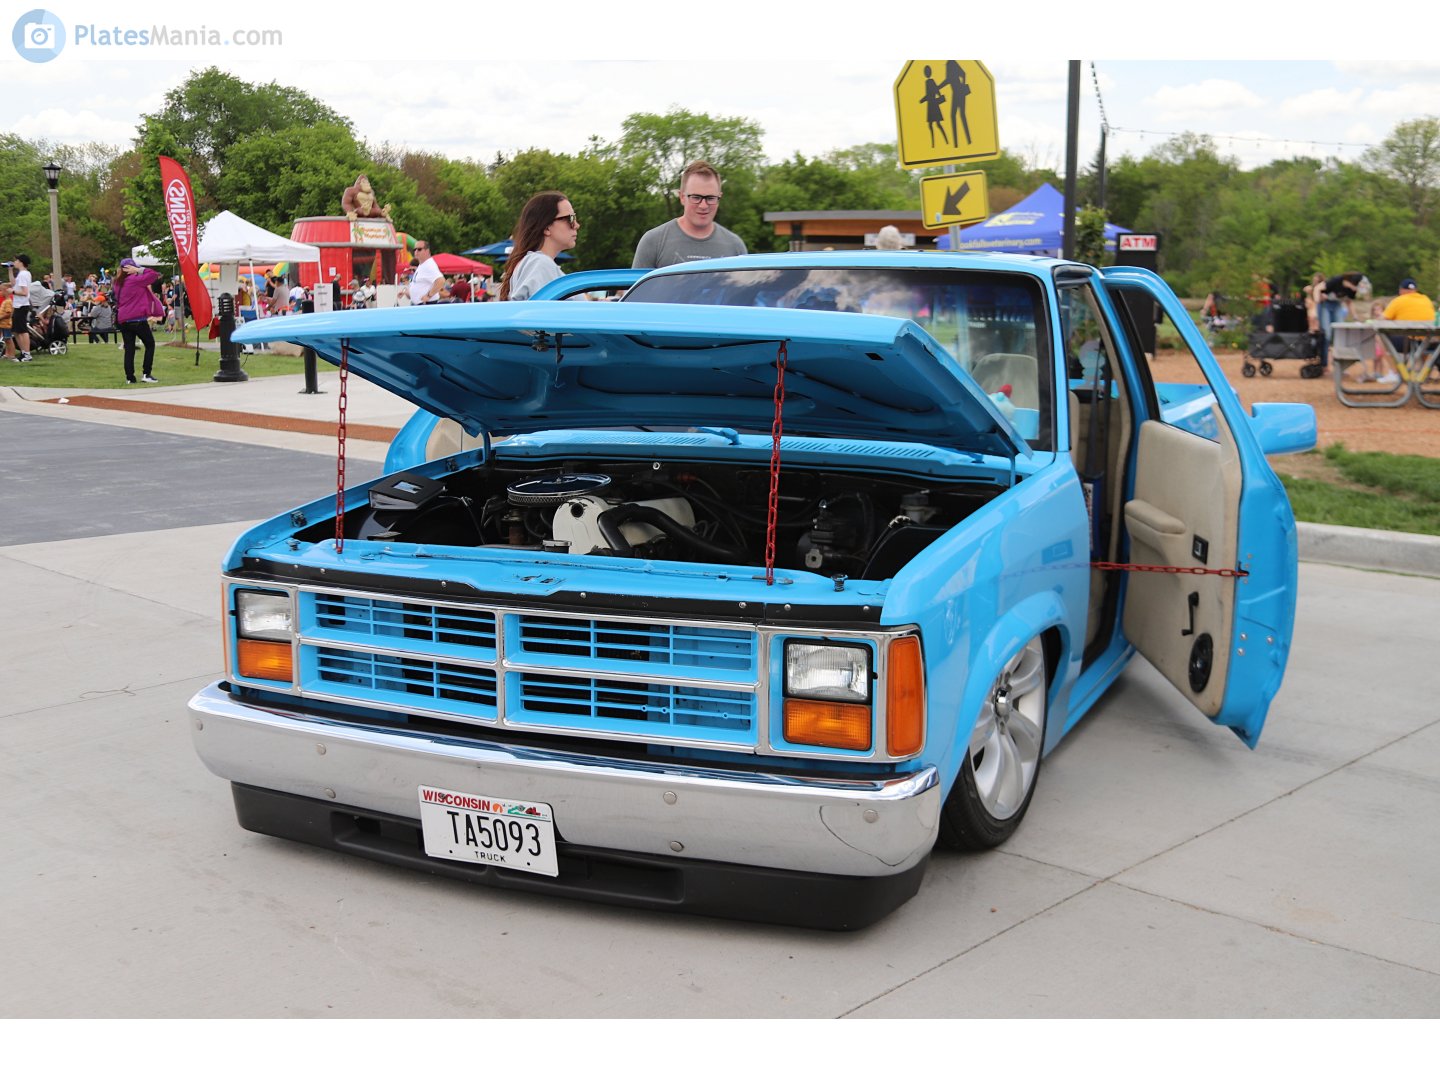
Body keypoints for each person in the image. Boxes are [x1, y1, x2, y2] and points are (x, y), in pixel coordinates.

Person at [632, 161, 747, 269]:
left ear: (719, 197)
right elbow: (636, 289)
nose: (703, 205)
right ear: (682, 197)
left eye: (710, 198)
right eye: (696, 197)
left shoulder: (735, 247)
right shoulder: (653, 242)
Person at [498, 191, 579, 301]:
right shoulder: (539, 264)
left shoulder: (536, 264)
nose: (576, 225)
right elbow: (541, 315)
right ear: (546, 228)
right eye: (570, 218)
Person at [113, 258, 161, 383]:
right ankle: (146, 374)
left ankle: (130, 378)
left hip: (123, 319)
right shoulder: (135, 280)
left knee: (129, 349)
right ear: (130, 269)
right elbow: (154, 275)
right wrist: (139, 270)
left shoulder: (117, 283)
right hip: (137, 319)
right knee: (150, 344)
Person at [1317, 271, 1370, 369]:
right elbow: (1318, 289)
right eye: (1355, 286)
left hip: (1337, 306)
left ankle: (1339, 365)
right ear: (1350, 282)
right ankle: (1324, 364)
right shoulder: (1336, 280)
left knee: (1340, 333)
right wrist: (1318, 299)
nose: (1355, 289)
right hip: (1325, 305)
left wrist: (1355, 317)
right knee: (1327, 334)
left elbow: (1349, 302)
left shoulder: (1352, 289)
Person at [8, 253, 33, 362]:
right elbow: (13, 284)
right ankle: (23, 353)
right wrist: (10, 270)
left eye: (16, 261)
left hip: (22, 305)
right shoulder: (22, 274)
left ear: (21, 262)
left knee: (22, 330)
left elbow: (24, 292)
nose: (15, 262)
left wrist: (13, 292)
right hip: (18, 305)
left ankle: (27, 354)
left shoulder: (24, 274)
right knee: (16, 331)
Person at [408, 241, 446, 305]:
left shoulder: (429, 265)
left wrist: (428, 296)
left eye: (419, 249)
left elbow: (441, 280)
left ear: (427, 251)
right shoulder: (423, 264)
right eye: (415, 249)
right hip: (420, 304)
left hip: (426, 304)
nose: (416, 251)